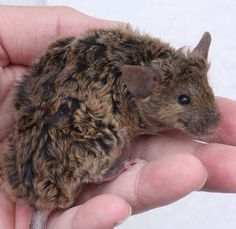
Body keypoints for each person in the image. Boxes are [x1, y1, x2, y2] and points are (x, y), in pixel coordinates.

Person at [0, 5, 236, 229]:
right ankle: (98, 173)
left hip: (22, 163)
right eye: (183, 101)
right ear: (144, 84)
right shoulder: (146, 82)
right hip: (64, 160)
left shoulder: (159, 73)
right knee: (92, 125)